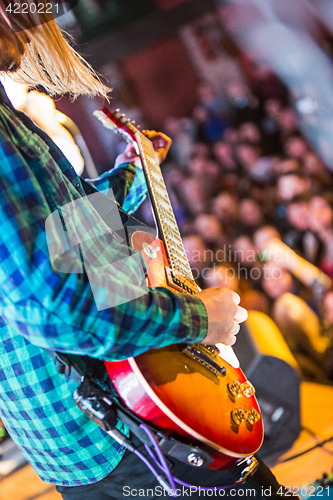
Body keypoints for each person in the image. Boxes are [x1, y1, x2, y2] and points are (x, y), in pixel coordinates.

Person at [0, 3, 294, 499]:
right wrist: (198, 318)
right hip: (119, 424)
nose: (35, 28)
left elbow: (71, 234)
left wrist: (137, 172)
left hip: (81, 436)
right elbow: (54, 310)